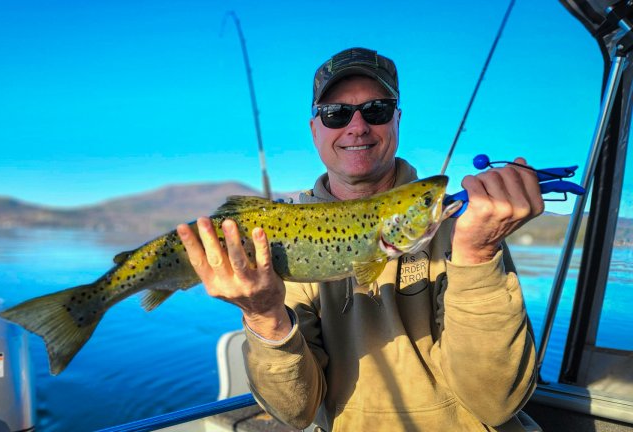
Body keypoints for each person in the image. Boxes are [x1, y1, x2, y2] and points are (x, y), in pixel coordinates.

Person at [177, 47, 542, 431]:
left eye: (376, 110)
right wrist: (264, 316)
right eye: (335, 114)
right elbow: (295, 413)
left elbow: (496, 403)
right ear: (314, 129)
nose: (357, 126)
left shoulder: (466, 228)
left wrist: (478, 256)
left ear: (397, 120)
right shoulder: (278, 238)